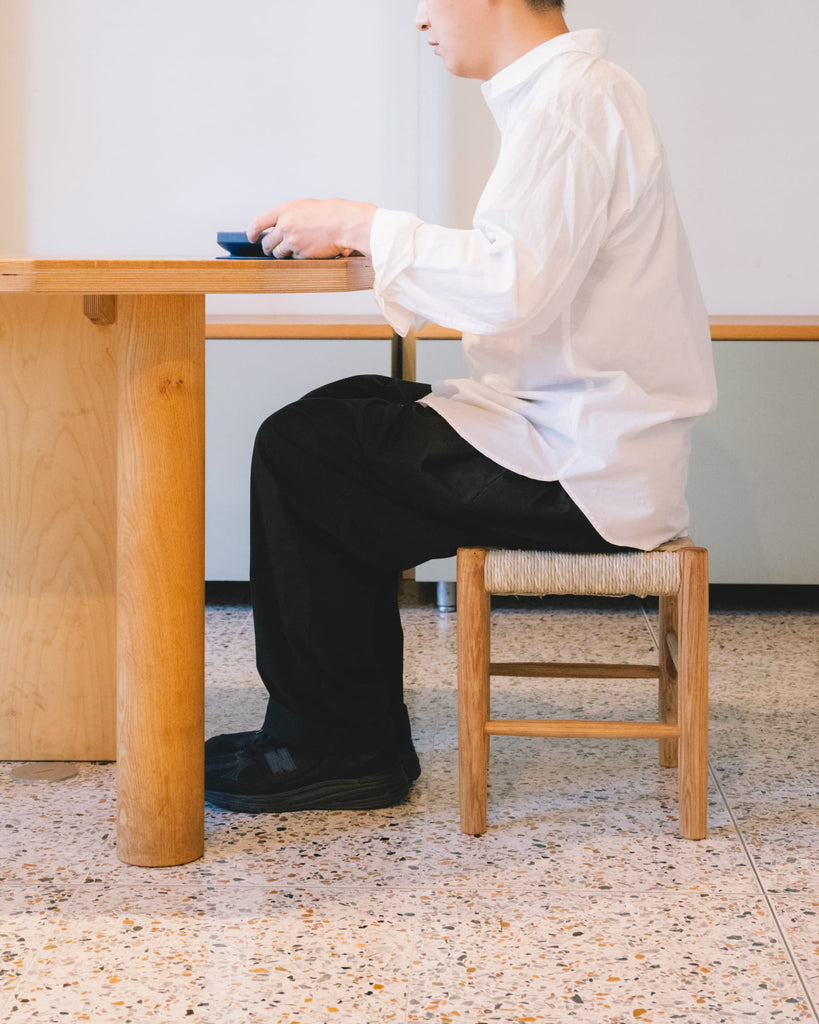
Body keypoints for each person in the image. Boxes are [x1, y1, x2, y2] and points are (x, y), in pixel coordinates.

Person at [204, 0, 717, 813]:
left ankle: (336, 746)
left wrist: (365, 223)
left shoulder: (571, 100)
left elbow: (511, 283)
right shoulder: (574, 92)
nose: (420, 19)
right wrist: (367, 234)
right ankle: (339, 734)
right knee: (339, 415)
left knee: (304, 446)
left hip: (582, 465)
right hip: (576, 433)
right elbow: (524, 270)